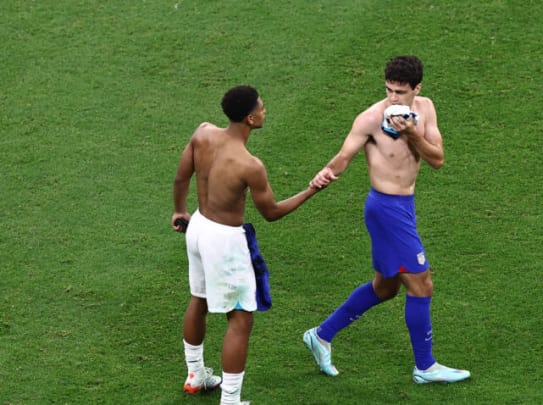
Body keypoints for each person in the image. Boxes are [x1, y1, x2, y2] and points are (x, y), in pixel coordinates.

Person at [304, 55, 471, 384]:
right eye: (389, 90)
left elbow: (437, 159)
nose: (393, 98)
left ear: (416, 89)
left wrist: (411, 133)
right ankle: (425, 367)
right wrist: (325, 173)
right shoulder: (370, 119)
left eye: (400, 92)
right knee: (422, 285)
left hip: (405, 206)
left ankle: (321, 335)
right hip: (385, 210)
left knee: (386, 287)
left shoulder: (426, 109)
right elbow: (344, 155)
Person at [172, 85, 320, 404]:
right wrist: (311, 191)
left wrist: (179, 210)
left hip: (198, 227)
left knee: (198, 298)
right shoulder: (250, 164)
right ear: (251, 118)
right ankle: (231, 400)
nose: (266, 111)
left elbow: (181, 176)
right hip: (224, 240)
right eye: (262, 108)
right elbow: (272, 213)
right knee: (240, 319)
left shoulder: (203, 133)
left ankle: (195, 374)